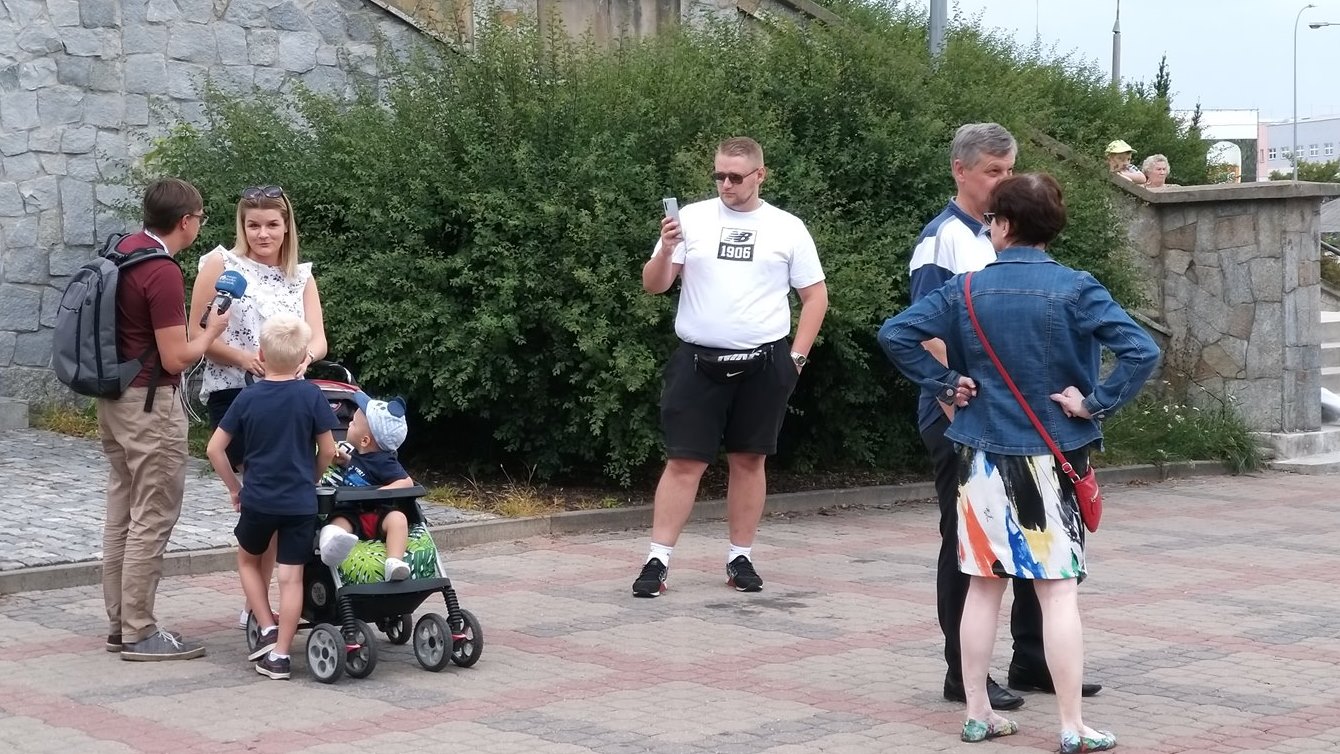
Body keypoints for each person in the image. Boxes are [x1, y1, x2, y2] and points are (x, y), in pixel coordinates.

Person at [879, 173, 1160, 751]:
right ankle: (1071, 725)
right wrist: (1094, 403)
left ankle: (977, 713)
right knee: (1057, 591)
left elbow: (896, 332)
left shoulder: (964, 289)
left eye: (992, 220)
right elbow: (1141, 350)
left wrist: (945, 382)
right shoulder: (1077, 288)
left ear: (1003, 225)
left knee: (983, 587)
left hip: (980, 456)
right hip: (1051, 458)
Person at [910, 123, 1101, 712]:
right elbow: (923, 329)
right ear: (960, 171)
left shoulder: (1008, 233)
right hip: (965, 417)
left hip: (1022, 421)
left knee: (1036, 536)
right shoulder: (943, 238)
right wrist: (950, 391)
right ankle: (961, 673)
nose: (1003, 180)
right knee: (968, 544)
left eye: (1010, 170)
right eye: (992, 171)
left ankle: (1033, 659)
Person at [633, 136, 828, 597]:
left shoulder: (787, 227)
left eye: (736, 177)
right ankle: (657, 560)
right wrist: (665, 250)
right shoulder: (691, 219)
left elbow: (815, 295)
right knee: (684, 461)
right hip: (697, 360)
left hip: (764, 361)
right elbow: (654, 285)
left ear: (760, 175)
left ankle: (741, 556)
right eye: (719, 175)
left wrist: (796, 359)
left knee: (749, 459)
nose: (726, 184)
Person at [100, 177, 232, 661]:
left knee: (123, 513)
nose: (200, 224)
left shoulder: (123, 250)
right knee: (153, 514)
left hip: (115, 399)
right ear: (186, 221)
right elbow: (176, 357)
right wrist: (212, 331)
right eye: (200, 217)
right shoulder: (161, 271)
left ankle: (121, 624)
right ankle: (140, 631)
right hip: (150, 405)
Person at [187, 185, 329, 629]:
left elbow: (319, 338)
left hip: (290, 394)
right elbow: (198, 335)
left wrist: (305, 358)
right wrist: (244, 358)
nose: (262, 234)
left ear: (286, 227)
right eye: (253, 225)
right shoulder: (220, 265)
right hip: (239, 394)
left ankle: (269, 606)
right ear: (242, 226)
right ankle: (259, 608)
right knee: (263, 500)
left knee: (283, 502)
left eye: (271, 225)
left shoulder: (301, 276)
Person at [206, 315, 340, 680]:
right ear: (302, 358)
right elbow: (328, 450)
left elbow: (214, 449)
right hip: (300, 503)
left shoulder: (247, 398)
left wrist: (235, 488)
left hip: (258, 501)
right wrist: (312, 477)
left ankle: (266, 625)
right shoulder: (311, 395)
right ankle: (281, 655)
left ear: (261, 354)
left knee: (248, 562)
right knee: (291, 578)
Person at [317, 392, 416, 582]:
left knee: (398, 519)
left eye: (353, 423)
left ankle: (394, 562)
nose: (348, 424)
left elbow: (406, 482)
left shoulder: (385, 462)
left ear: (365, 440)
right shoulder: (359, 455)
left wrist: (378, 493)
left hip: (379, 513)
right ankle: (332, 550)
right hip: (351, 512)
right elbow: (363, 471)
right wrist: (346, 461)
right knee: (335, 525)